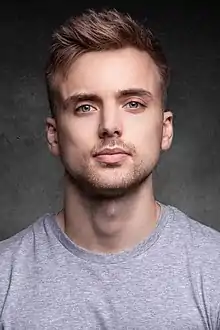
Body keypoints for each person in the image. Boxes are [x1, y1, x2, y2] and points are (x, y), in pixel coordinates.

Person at [0, 8, 220, 329]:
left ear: (166, 129)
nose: (110, 127)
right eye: (85, 107)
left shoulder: (214, 270)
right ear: (53, 134)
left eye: (133, 103)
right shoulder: (5, 278)